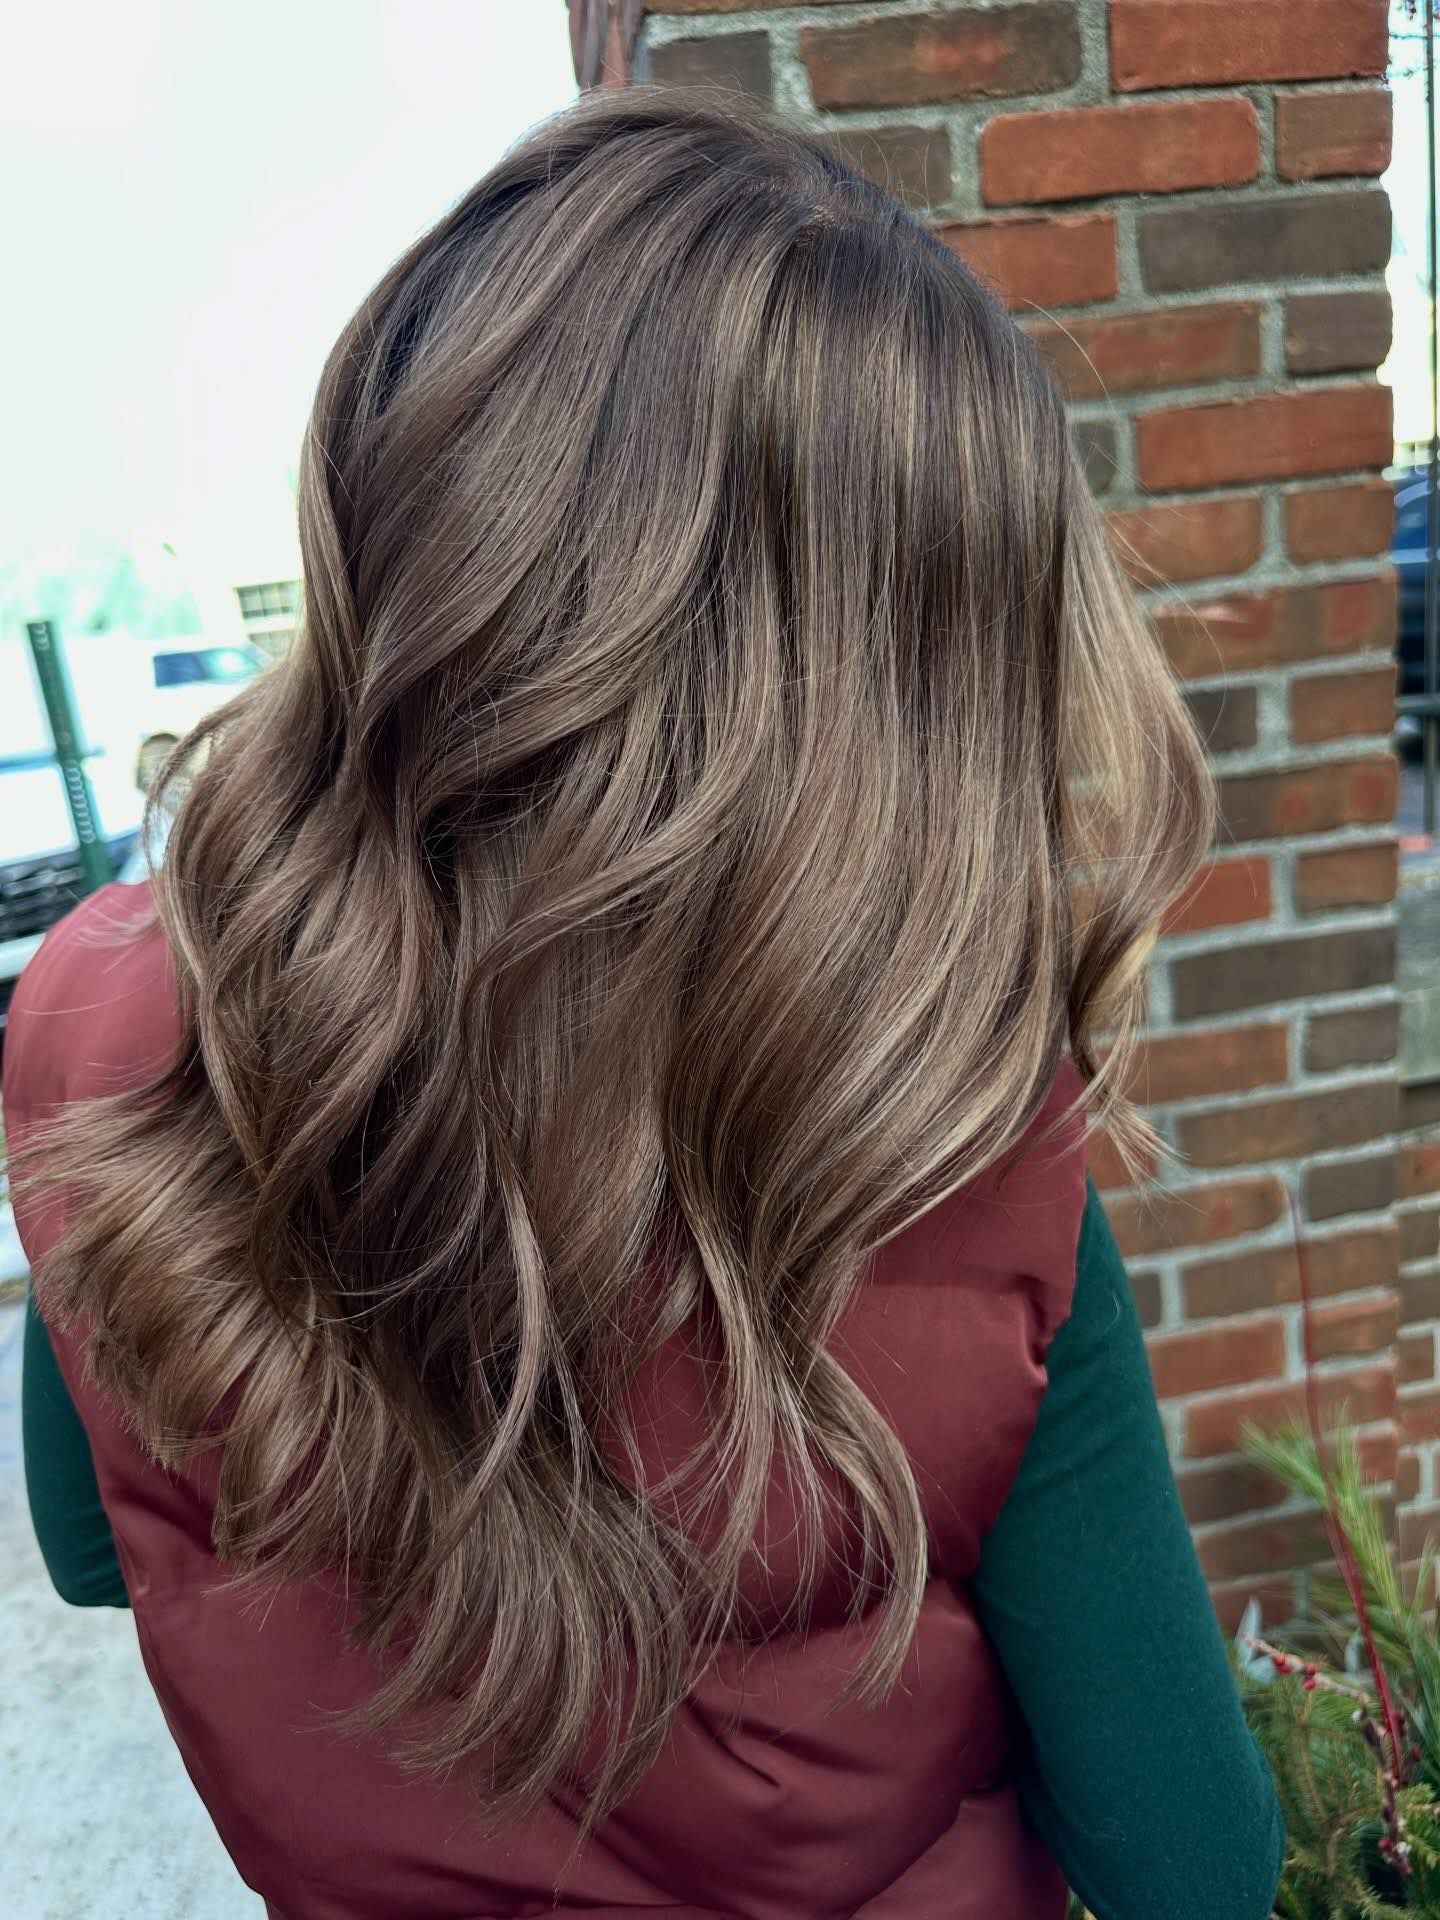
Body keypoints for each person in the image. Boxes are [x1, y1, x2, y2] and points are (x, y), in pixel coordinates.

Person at [7, 91, 1283, 1920]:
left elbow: (86, 1548)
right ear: (930, 693)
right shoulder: (957, 1165)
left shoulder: (102, 1016)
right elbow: (1196, 1863)